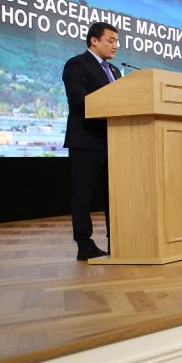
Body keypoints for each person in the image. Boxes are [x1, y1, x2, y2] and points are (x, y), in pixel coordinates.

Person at [63, 21, 121, 261]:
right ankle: (84, 245)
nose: (115, 46)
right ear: (94, 41)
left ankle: (117, 241)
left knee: (114, 195)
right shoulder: (77, 64)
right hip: (86, 141)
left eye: (117, 41)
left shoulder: (115, 71)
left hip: (114, 141)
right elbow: (78, 99)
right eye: (111, 40)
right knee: (83, 196)